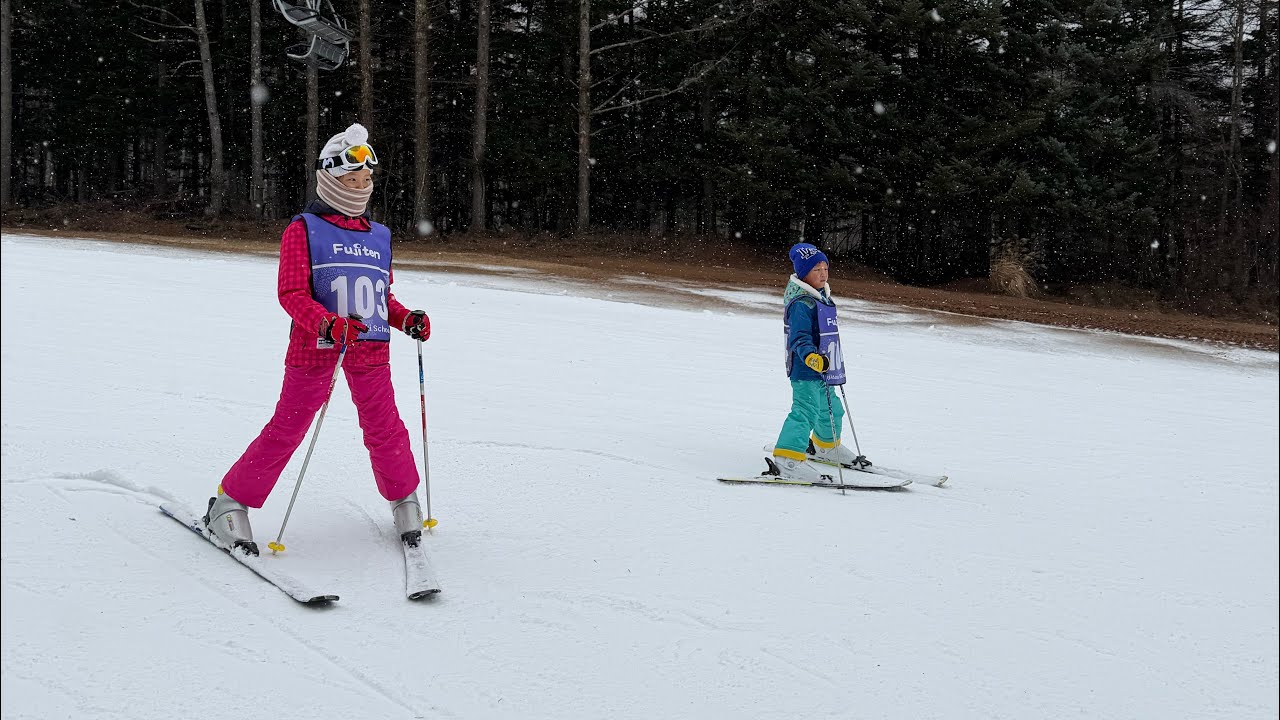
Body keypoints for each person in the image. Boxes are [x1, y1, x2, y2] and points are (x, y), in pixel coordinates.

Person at [204, 123, 432, 555]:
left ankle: (404, 496)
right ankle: (230, 502)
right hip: (315, 348)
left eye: (367, 180)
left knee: (385, 428)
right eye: (352, 180)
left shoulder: (378, 236)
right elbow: (290, 294)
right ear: (330, 178)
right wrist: (326, 323)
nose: (362, 187)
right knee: (289, 428)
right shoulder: (303, 229)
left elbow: (381, 296)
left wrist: (407, 319)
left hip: (369, 349)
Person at [769, 242, 860, 482]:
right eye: (816, 270)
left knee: (831, 409)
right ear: (803, 273)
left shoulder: (820, 298)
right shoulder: (801, 303)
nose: (822, 274)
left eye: (825, 269)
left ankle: (826, 446)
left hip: (825, 368)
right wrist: (810, 356)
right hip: (806, 368)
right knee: (805, 411)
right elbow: (799, 338)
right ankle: (787, 457)